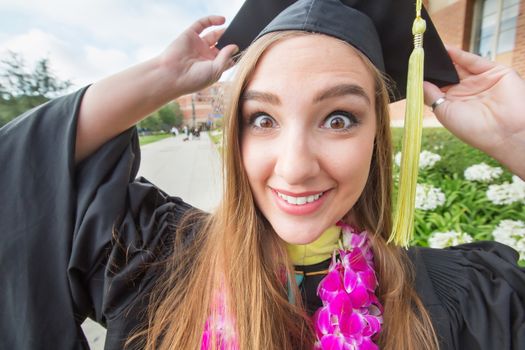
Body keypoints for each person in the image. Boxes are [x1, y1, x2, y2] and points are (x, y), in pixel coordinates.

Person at [1, 0, 524, 349]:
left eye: (338, 119)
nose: (295, 166)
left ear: (377, 140)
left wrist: (516, 140)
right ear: (235, 136)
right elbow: (17, 175)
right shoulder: (153, 259)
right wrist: (160, 80)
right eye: (263, 119)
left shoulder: (462, 301)